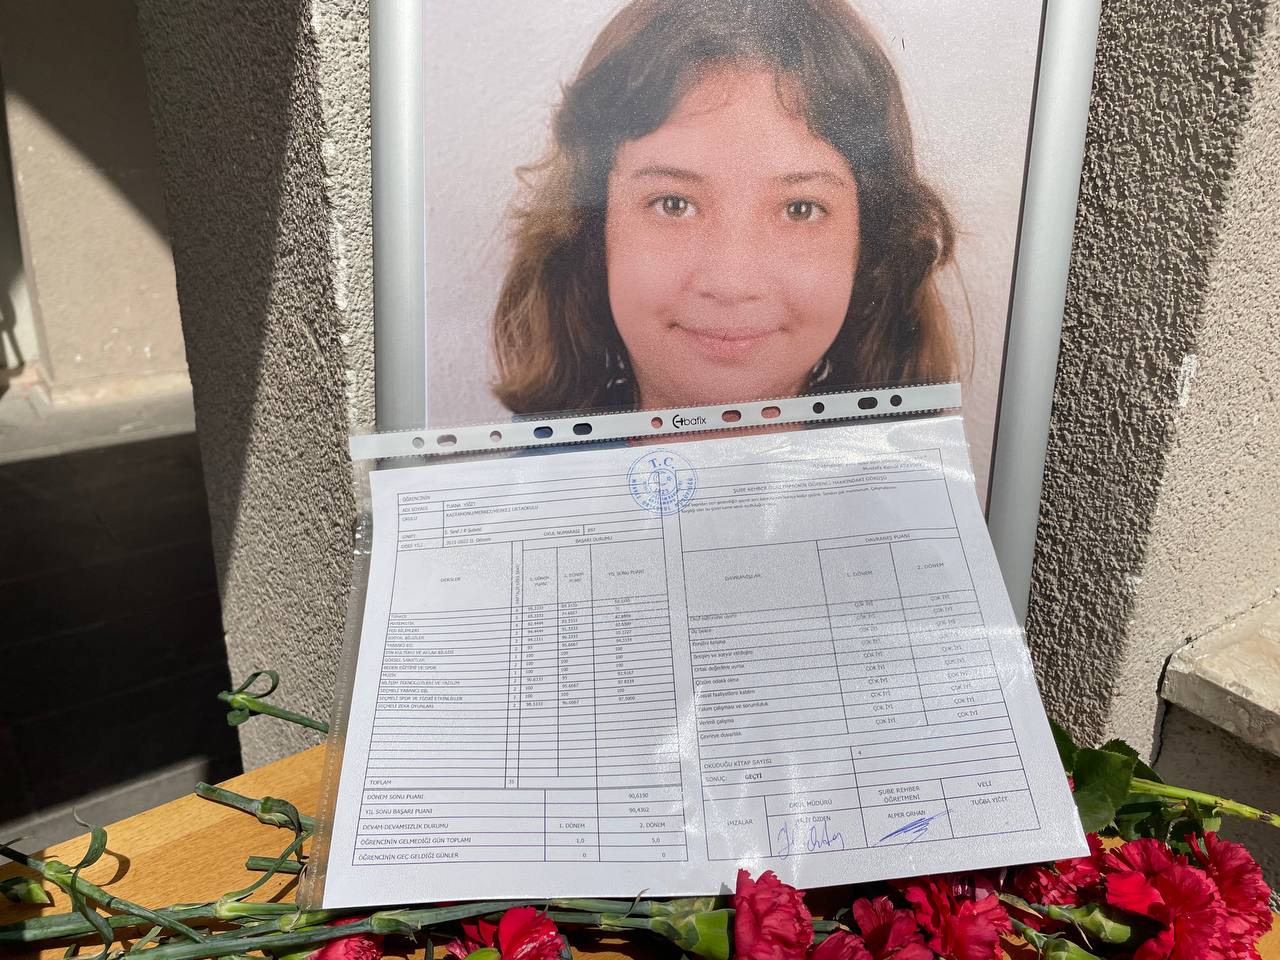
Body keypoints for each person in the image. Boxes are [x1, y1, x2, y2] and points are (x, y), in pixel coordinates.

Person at [491, 0, 959, 417]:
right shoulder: (517, 492)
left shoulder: (921, 485)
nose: (731, 283)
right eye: (674, 204)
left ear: (869, 245)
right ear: (593, 230)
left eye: (799, 209)